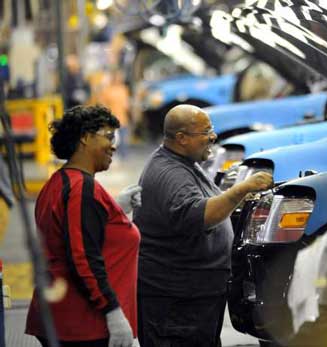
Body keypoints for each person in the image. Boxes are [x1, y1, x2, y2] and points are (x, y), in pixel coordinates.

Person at [134, 104, 273, 347]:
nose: (213, 136)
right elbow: (200, 215)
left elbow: (207, 202)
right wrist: (243, 188)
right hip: (177, 303)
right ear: (181, 138)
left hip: (191, 297)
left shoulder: (182, 161)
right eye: (205, 132)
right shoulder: (171, 173)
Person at [25, 105, 141, 347]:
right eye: (108, 136)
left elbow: (69, 230)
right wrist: (112, 312)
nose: (114, 145)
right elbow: (83, 257)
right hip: (83, 324)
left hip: (62, 318)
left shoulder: (59, 182)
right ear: (86, 138)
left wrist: (112, 210)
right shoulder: (81, 189)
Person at [97, 69, 130, 159]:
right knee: (113, 141)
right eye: (117, 77)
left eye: (120, 77)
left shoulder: (124, 89)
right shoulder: (107, 90)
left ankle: (123, 160)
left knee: (123, 142)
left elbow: (126, 105)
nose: (119, 79)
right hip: (112, 121)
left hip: (123, 120)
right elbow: (102, 104)